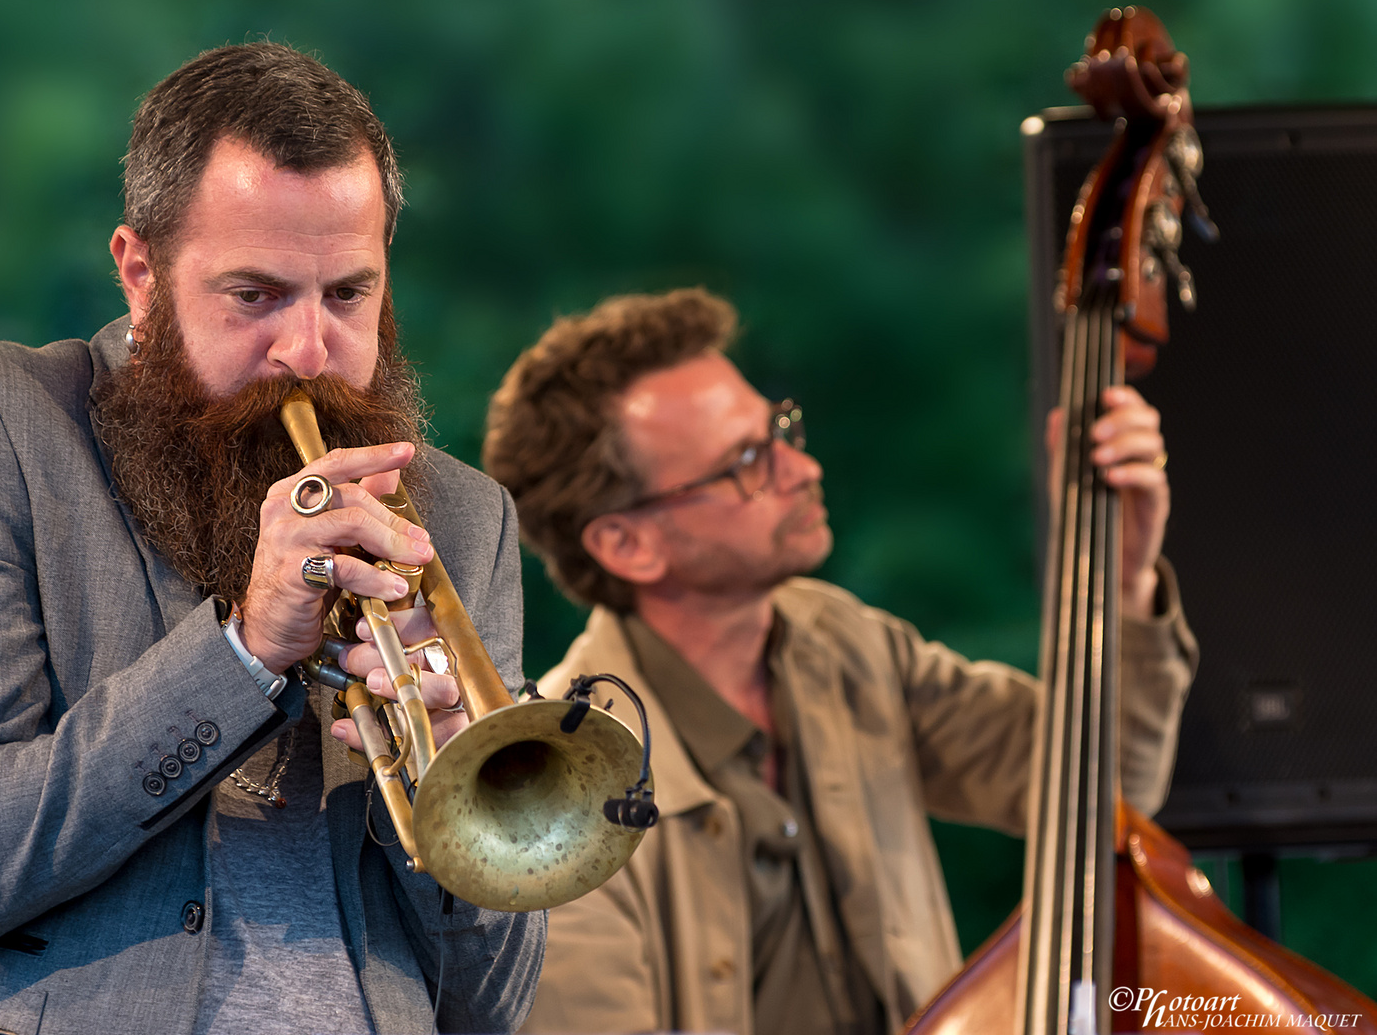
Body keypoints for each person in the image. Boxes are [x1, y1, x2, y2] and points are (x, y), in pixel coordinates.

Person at [0, 43, 543, 1035]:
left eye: (348, 294)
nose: (309, 350)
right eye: (255, 296)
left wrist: (445, 801)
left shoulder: (461, 518)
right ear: (140, 273)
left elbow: (489, 1009)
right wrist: (245, 650)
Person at [482, 287, 1196, 1035]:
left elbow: (1102, 790)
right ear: (628, 545)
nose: (804, 468)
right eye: (748, 461)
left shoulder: (843, 640)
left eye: (780, 430)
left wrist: (1123, 584)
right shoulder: (561, 793)